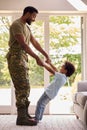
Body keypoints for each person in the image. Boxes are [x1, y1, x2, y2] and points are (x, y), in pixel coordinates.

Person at [6, 6, 50, 126]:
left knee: (26, 86)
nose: (34, 19)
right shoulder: (17, 25)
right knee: (22, 87)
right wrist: (37, 58)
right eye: (34, 16)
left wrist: (45, 54)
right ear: (27, 13)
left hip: (22, 58)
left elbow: (34, 43)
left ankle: (24, 114)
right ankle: (21, 118)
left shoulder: (26, 27)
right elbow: (24, 45)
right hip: (16, 57)